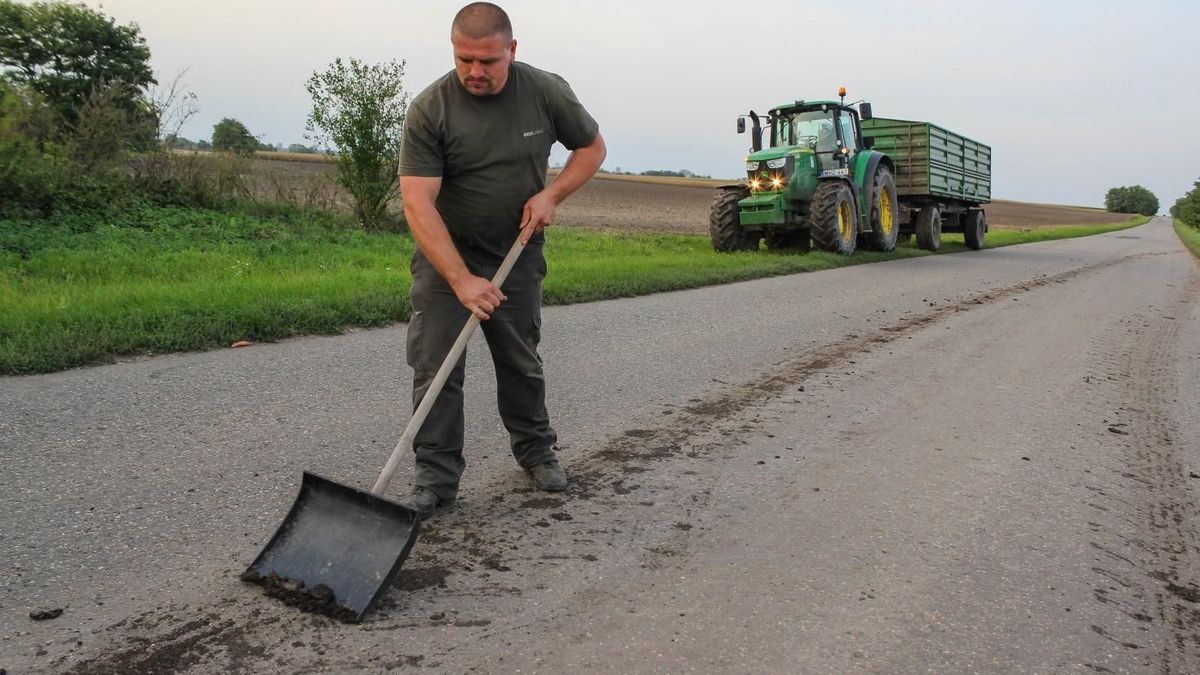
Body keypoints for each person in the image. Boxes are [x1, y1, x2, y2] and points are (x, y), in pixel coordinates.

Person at [396, 2, 606, 518]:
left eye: (488, 61)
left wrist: (552, 195)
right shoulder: (431, 109)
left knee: (519, 358)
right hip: (449, 255)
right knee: (436, 366)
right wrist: (461, 279)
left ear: (511, 50)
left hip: (516, 249)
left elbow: (592, 148)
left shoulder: (544, 91)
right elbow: (417, 202)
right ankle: (435, 481)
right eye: (465, 59)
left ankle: (537, 453)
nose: (475, 72)